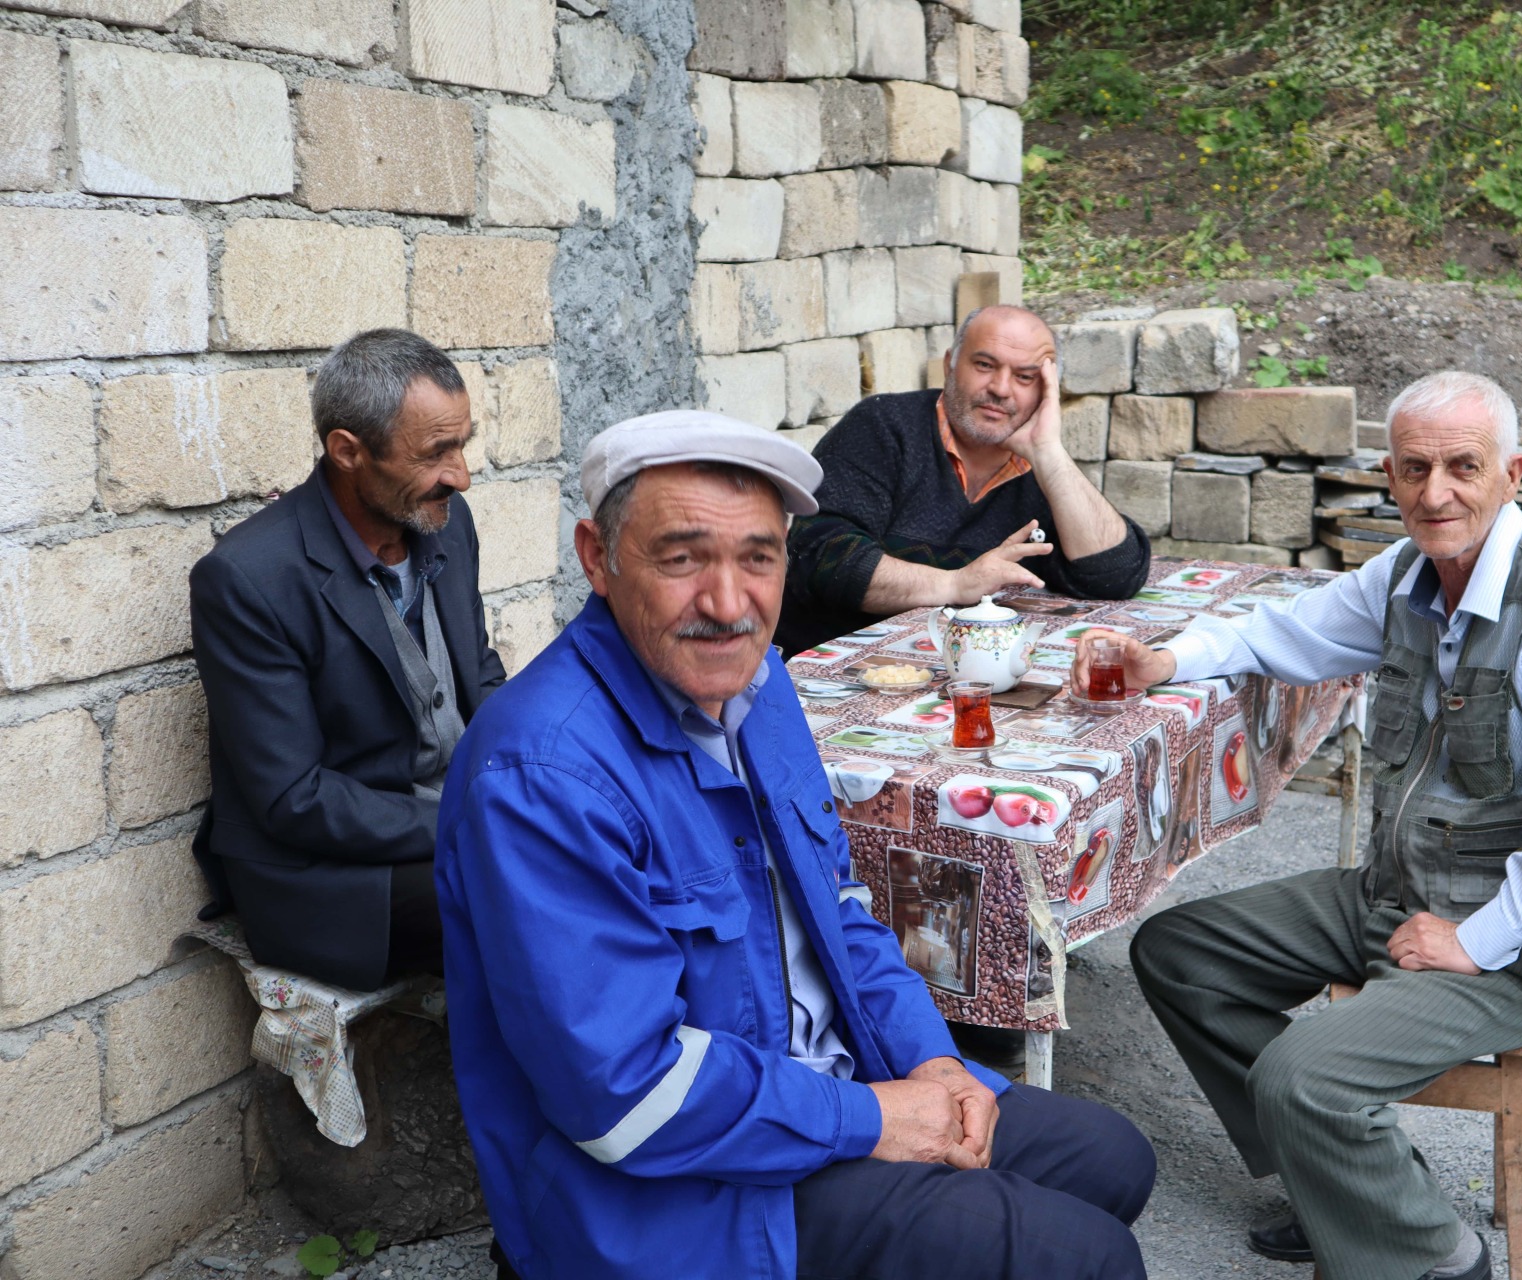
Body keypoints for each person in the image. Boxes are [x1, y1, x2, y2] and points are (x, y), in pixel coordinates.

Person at [436, 412, 1156, 1280]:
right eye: (681, 557)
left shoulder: (758, 682)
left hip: (819, 1089)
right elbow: (625, 1100)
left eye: (759, 557)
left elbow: (842, 909)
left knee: (1112, 1159)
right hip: (678, 1191)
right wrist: (879, 1121)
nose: (729, 603)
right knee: (1086, 1258)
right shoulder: (542, 771)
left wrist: (932, 1063)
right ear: (598, 558)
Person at [1072, 371, 1522, 1280]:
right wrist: (1166, 659)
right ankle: (1342, 1181)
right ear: (1389, 473)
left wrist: (1477, 938)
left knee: (1303, 1074)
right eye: (1415, 469)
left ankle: (1434, 1257)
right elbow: (1282, 633)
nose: (1436, 491)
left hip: (1517, 939)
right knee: (1180, 954)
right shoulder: (1407, 572)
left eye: (1464, 466)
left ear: (1514, 474)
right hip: (1396, 894)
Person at [187, 329, 503, 992]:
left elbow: (477, 678)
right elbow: (293, 799)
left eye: (462, 446)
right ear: (347, 451)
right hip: (332, 878)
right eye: (436, 453)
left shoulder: (447, 518)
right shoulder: (248, 578)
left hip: (455, 820)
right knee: (533, 901)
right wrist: (467, 822)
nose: (461, 475)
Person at [776, 304, 1152, 654]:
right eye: (985, 365)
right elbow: (820, 556)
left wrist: (1049, 453)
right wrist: (956, 584)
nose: (1001, 389)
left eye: (1025, 377)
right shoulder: (883, 427)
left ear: (1046, 391)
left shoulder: (1043, 470)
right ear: (950, 365)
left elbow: (1113, 576)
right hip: (833, 673)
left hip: (969, 678)